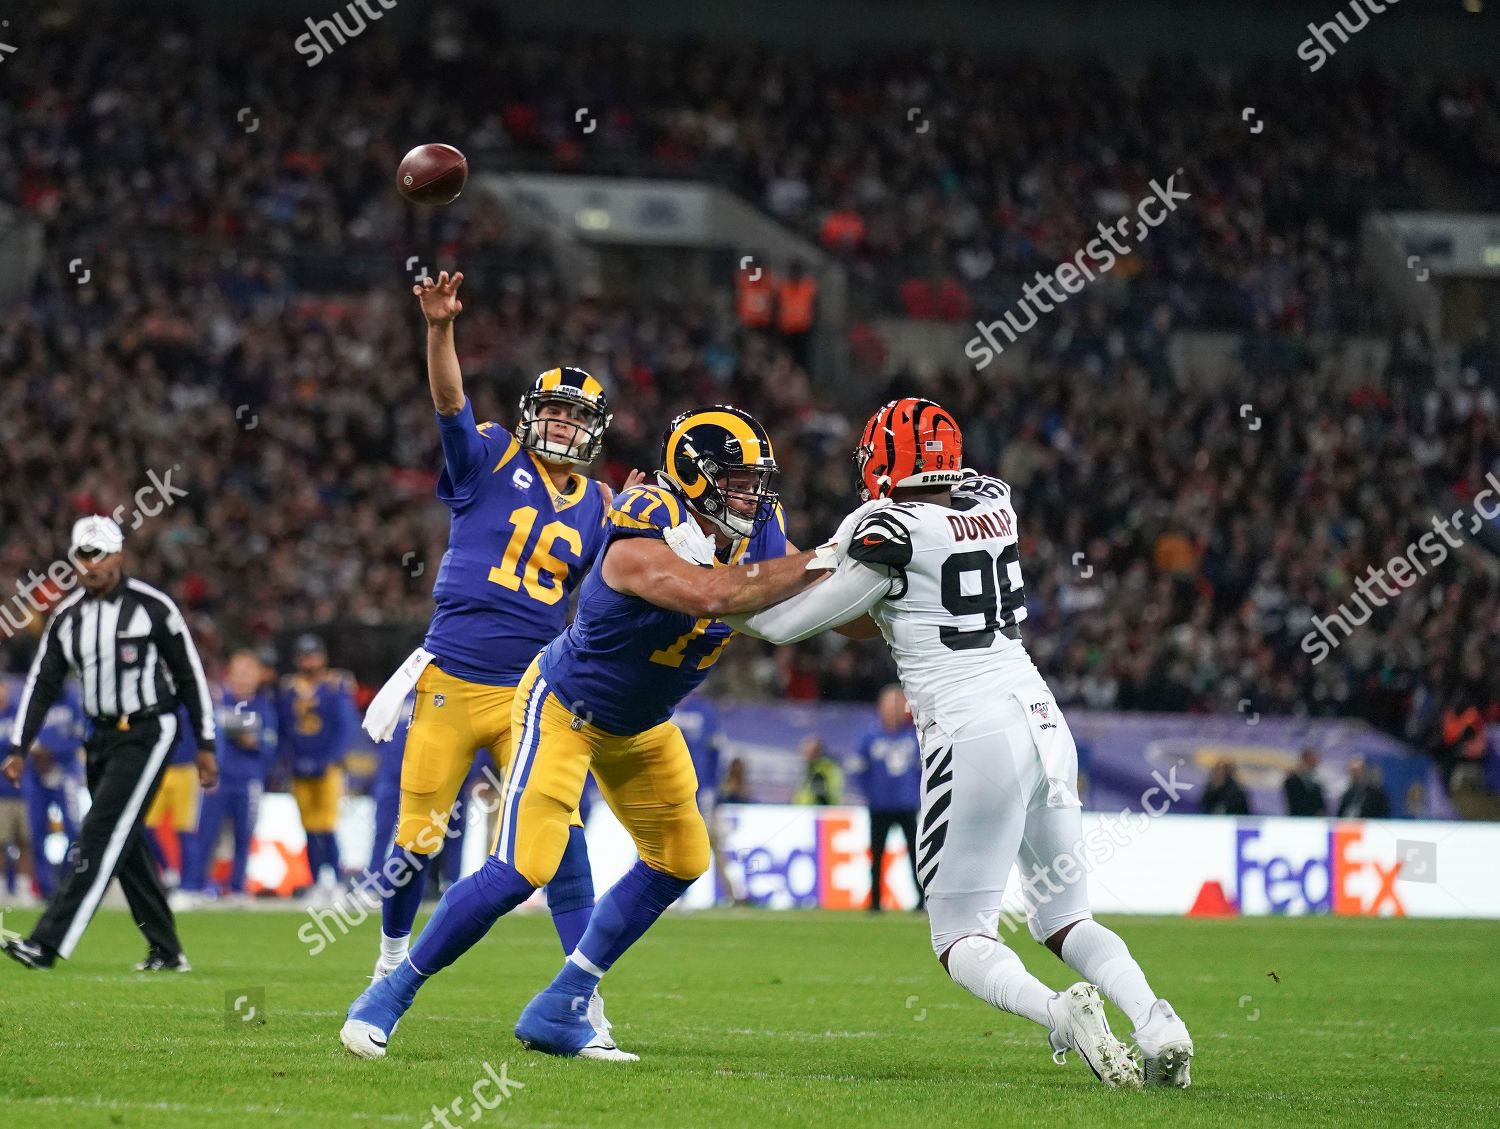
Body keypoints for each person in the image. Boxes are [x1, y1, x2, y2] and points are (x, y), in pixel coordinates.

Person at [727, 397, 1194, 1089]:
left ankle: (1061, 1015)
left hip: (972, 732)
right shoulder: (993, 502)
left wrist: (709, 594)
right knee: (1066, 916)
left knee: (959, 935)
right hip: (1040, 714)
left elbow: (787, 624)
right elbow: (893, 589)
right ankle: (1157, 1018)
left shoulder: (883, 526)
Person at [341, 404, 828, 1061]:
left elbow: (817, 599)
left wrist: (882, 573)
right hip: (564, 709)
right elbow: (710, 594)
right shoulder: (643, 519)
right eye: (737, 479)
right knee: (523, 866)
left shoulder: (758, 530)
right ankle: (388, 992)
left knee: (684, 857)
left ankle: (562, 1003)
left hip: (642, 724)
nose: (753, 494)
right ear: (694, 474)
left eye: (755, 480)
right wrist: (837, 552)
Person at [357, 270, 636, 989]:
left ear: (595, 431)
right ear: (530, 414)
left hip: (531, 694)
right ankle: (391, 957)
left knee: (563, 835)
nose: (563, 426)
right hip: (452, 673)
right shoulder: (490, 455)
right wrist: (439, 328)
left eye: (577, 417)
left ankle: (581, 993)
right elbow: (449, 400)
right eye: (555, 411)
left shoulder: (604, 504)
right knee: (415, 840)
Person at [2, 515, 217, 971]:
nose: (90, 564)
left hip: (147, 731)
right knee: (125, 839)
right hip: (97, 735)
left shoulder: (153, 607)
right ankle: (167, 950)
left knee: (99, 832)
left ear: (119, 555)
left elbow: (189, 675)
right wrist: (19, 746)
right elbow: (42, 683)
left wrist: (206, 742)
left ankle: (47, 942)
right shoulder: (67, 616)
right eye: (83, 555)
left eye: (99, 554)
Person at [184, 650, 277, 903]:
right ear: (230, 674)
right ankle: (194, 886)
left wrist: (253, 744)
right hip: (217, 781)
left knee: (243, 836)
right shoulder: (216, 701)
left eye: (249, 671)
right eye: (239, 671)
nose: (243, 677)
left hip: (247, 782)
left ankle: (237, 888)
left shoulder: (264, 707)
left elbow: (270, 744)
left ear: (259, 675)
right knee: (205, 833)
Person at [277, 633, 357, 895]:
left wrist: (330, 759)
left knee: (327, 824)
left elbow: (345, 727)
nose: (309, 662)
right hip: (300, 766)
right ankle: (315, 881)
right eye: (304, 656)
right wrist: (289, 761)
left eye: (313, 656)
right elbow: (284, 730)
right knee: (309, 827)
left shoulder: (335, 685)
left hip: (327, 768)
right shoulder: (289, 688)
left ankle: (334, 880)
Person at [858, 684, 923, 912]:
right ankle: (875, 900)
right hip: (879, 806)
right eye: (888, 704)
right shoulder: (870, 737)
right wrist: (870, 795)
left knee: (916, 855)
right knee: (876, 855)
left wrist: (916, 795)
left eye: (897, 703)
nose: (893, 709)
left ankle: (921, 899)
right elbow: (861, 771)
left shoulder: (914, 736)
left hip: (906, 805)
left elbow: (922, 770)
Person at [21, 682, 84, 901]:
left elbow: (81, 735)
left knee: (74, 830)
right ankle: (47, 890)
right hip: (36, 774)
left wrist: (53, 752)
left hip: (65, 773)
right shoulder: (33, 699)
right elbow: (20, 734)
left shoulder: (74, 699)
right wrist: (33, 752)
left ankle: (67, 882)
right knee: (36, 831)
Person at [144, 705, 201, 889]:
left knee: (185, 831)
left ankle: (188, 886)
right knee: (145, 828)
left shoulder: (189, 693)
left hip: (185, 769)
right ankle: (168, 871)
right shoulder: (151, 691)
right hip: (158, 769)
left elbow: (205, 727)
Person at [793, 735, 843, 805]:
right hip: (804, 810)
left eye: (807, 750)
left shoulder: (827, 768)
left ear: (816, 751)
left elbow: (831, 792)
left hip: (819, 811)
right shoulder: (809, 766)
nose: (804, 753)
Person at [1283, 748, 1327, 816]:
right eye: (1312, 760)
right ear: (1305, 760)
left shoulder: (1316, 780)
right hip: (1299, 818)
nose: (1315, 762)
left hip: (1315, 820)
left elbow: (1320, 802)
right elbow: (1295, 802)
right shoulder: (1292, 780)